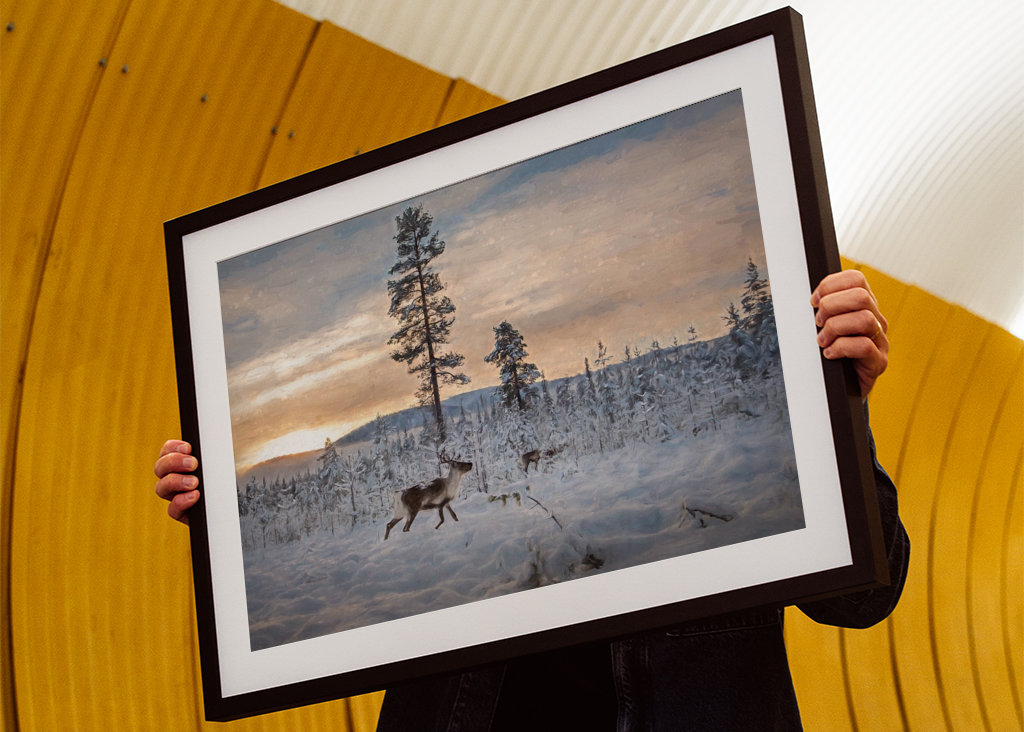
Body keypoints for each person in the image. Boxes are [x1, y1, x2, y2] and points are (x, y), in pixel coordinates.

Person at [155, 269, 909, 731]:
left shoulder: (762, 449)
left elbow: (864, 597)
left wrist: (838, 407)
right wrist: (230, 526)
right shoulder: (479, 517)